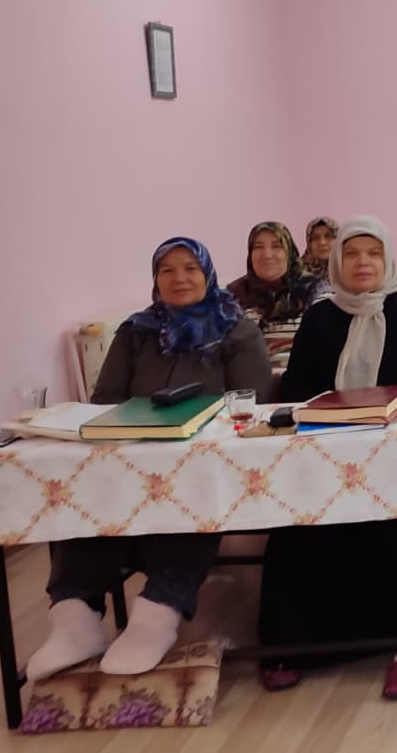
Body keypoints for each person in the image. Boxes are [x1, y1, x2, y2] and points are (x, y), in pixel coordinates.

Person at [25, 238, 270, 682]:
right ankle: (74, 618)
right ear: (155, 279)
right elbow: (106, 402)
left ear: (208, 273)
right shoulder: (136, 331)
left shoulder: (237, 330)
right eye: (167, 270)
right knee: (85, 495)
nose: (180, 279)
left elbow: (252, 406)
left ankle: (157, 615)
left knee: (188, 498)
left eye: (190, 268)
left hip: (207, 465)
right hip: (132, 459)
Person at [258, 216, 397, 698]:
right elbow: (298, 386)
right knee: (294, 526)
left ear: (388, 259)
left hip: (393, 455)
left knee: (395, 526)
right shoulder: (321, 317)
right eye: (351, 253)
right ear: (337, 261)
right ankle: (289, 644)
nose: (362, 262)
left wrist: (378, 421)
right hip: (324, 453)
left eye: (373, 253)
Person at [226, 221, 328, 368]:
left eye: (276, 246)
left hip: (300, 377)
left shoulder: (315, 290)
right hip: (247, 379)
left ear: (289, 252)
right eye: (258, 247)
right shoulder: (233, 295)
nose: (267, 255)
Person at [301, 217, 337, 282]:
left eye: (328, 236)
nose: (322, 242)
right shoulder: (296, 273)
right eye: (315, 237)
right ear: (309, 243)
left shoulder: (347, 270)